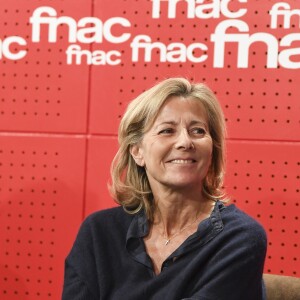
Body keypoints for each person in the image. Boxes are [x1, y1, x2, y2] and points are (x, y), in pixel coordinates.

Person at [62, 78, 267, 300]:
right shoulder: (99, 232)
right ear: (137, 151)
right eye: (167, 131)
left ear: (212, 150)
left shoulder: (239, 237)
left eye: (198, 131)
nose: (185, 142)